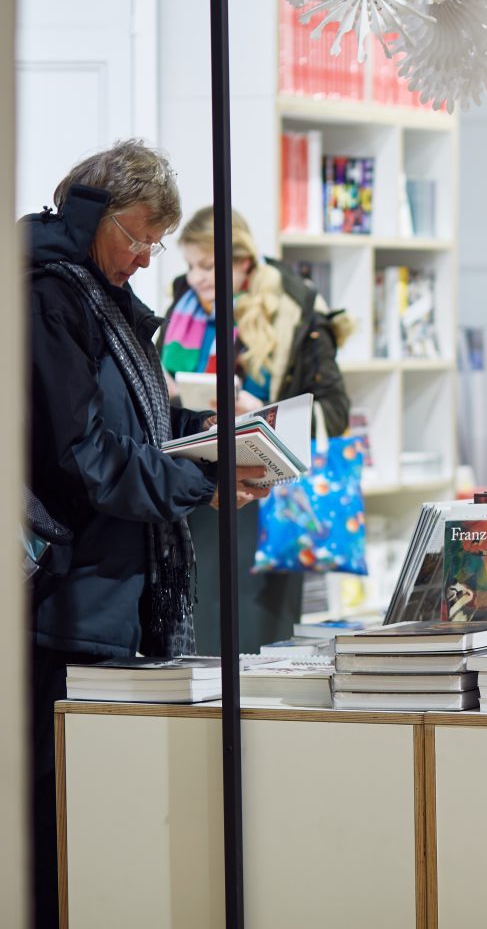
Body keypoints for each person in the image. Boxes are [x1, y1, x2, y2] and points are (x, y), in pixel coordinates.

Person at [26, 140, 268, 928]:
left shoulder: (101, 298)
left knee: (98, 812)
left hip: (109, 591)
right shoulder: (49, 296)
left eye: (153, 243)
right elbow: (82, 454)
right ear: (90, 214)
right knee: (55, 814)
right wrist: (202, 477)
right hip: (63, 597)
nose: (142, 257)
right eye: (134, 237)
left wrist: (211, 432)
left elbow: (140, 422)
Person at [158, 206, 352, 653]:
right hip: (194, 492)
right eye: (189, 266)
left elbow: (336, 410)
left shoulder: (295, 310)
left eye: (208, 266)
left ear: (243, 261)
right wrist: (162, 387)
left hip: (267, 503)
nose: (196, 279)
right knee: (197, 646)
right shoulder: (180, 307)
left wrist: (261, 411)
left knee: (257, 643)